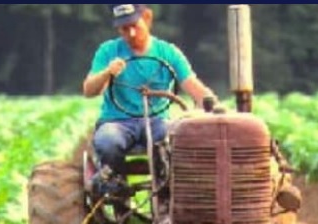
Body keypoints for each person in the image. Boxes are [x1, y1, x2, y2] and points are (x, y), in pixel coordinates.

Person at [82, 4, 217, 197]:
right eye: (124, 28)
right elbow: (89, 90)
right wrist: (107, 73)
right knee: (108, 140)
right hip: (117, 121)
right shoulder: (108, 51)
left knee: (172, 137)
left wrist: (214, 106)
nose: (131, 33)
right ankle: (114, 186)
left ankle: (167, 189)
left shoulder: (168, 52)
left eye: (134, 25)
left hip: (156, 121)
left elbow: (192, 86)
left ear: (147, 18)